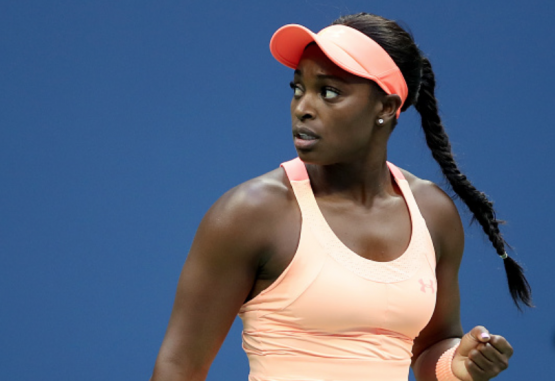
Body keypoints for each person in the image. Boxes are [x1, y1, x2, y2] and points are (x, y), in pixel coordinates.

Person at [150, 12, 532, 381]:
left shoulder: (433, 214)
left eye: (329, 92)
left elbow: (431, 348)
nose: (303, 108)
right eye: (298, 88)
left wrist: (459, 366)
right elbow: (179, 367)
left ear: (385, 107)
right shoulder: (250, 213)